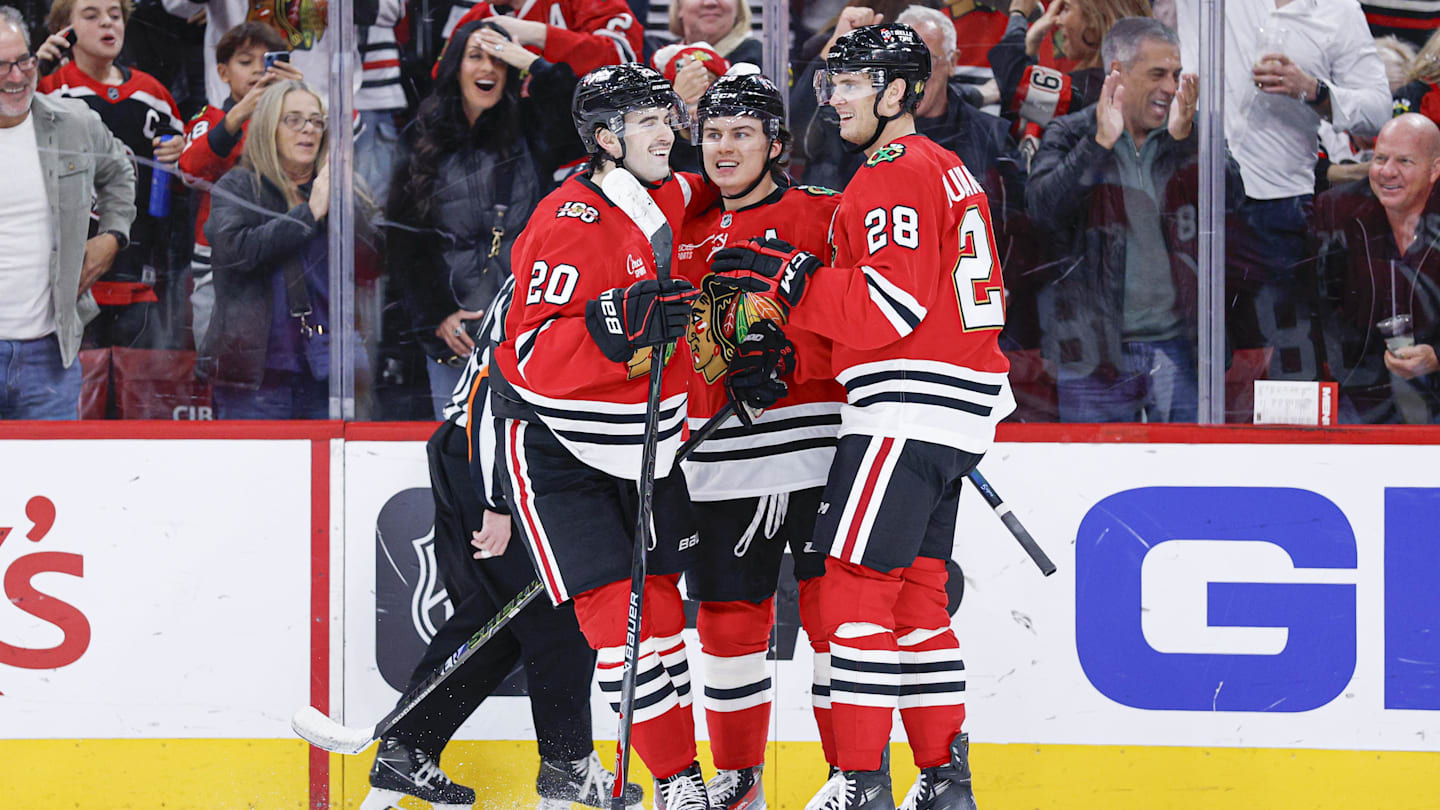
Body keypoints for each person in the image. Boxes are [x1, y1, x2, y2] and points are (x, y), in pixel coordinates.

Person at [710, 22, 1013, 810]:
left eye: (851, 84)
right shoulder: (945, 168)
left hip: (905, 407)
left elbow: (888, 303)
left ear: (895, 93)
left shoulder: (890, 170)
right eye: (832, 83)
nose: (834, 97)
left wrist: (790, 281)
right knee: (916, 601)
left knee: (849, 592)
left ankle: (860, 781)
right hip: (953, 413)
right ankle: (947, 784)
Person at [489, 63, 713, 810]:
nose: (667, 132)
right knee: (623, 625)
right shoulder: (569, 219)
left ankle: (680, 779)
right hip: (557, 451)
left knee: (662, 618)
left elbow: (728, 177)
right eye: (649, 121)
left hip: (641, 448)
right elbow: (526, 353)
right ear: (606, 137)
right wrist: (611, 327)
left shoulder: (664, 198)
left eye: (666, 118)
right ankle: (680, 788)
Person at [360, 278, 644, 810]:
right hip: (495, 458)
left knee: (508, 617)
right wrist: (500, 499)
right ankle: (566, 764)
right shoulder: (576, 260)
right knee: (558, 610)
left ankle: (410, 746)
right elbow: (500, 383)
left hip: (481, 452)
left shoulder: (570, 252)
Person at [674, 70, 846, 810]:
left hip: (817, 448)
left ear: (777, 143)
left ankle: (851, 773)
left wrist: (798, 356)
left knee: (831, 617)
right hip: (717, 459)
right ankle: (740, 781)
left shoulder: (824, 215)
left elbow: (866, 319)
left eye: (742, 133)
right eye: (712, 134)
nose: (724, 148)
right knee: (726, 620)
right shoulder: (679, 228)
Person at [1025, 18, 1217, 422]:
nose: (1171, 87)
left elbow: (1231, 204)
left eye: (1176, 74)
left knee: (1188, 479)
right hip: (1094, 357)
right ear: (1119, 73)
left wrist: (1188, 145)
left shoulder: (1189, 134)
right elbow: (1042, 212)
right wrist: (1098, 145)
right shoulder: (1070, 133)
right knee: (1090, 481)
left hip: (1181, 348)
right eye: (1158, 74)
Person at [387, 19, 580, 419]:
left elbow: (582, 111)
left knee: (516, 456)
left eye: (498, 59)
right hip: (455, 333)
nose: (488, 69)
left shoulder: (531, 127)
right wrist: (438, 314)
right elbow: (404, 240)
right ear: (455, 64)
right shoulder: (420, 135)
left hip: (523, 327)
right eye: (475, 56)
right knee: (460, 454)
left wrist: (533, 62)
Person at [1207, 0, 1390, 381]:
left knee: (1290, 355)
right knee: (1196, 354)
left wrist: (1314, 90)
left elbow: (1378, 111)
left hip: (1278, 203)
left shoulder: (1339, 11)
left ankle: (1287, 439)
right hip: (1198, 195)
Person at [0, 6, 135, 419]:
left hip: (49, 354)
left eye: (23, 60)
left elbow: (121, 174)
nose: (18, 76)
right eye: (1, 66)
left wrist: (111, 238)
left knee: (48, 482)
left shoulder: (73, 122)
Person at [37, 0, 186, 361]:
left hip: (140, 280)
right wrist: (34, 71)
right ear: (63, 31)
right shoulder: (45, 91)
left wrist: (183, 152)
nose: (108, 23)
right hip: (66, 287)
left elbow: (187, 181)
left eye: (115, 15)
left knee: (138, 403)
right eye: (91, 15)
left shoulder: (155, 94)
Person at [202, 81, 359, 418]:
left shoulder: (330, 188)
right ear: (268, 127)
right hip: (256, 374)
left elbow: (371, 265)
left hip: (324, 369)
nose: (309, 130)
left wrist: (351, 195)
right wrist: (309, 213)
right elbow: (234, 252)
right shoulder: (240, 184)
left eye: (317, 121)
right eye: (294, 120)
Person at [1312, 113, 1440, 423]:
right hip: (1362, 393)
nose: (1387, 172)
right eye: (1380, 158)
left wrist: (1437, 356)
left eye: (1404, 161)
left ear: (1434, 169)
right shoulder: (1336, 210)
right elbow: (1316, 305)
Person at [178, 21, 298, 350]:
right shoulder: (211, 117)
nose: (259, 71)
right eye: (246, 62)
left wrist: (300, 99)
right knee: (219, 356)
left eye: (268, 61)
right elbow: (189, 171)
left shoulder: (296, 118)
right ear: (223, 72)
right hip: (220, 254)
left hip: (283, 248)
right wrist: (241, 114)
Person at [988, 0, 1150, 166]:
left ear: (1094, 21)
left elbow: (1012, 84)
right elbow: (1014, 103)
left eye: (1065, 9)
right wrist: (1031, 44)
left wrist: (1018, 15)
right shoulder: (1117, 85)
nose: (1057, 20)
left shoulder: (1094, 89)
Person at [447, 0, 643, 76]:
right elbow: (443, 85)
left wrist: (539, 34)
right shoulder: (475, 18)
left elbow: (623, 61)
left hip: (585, 145)